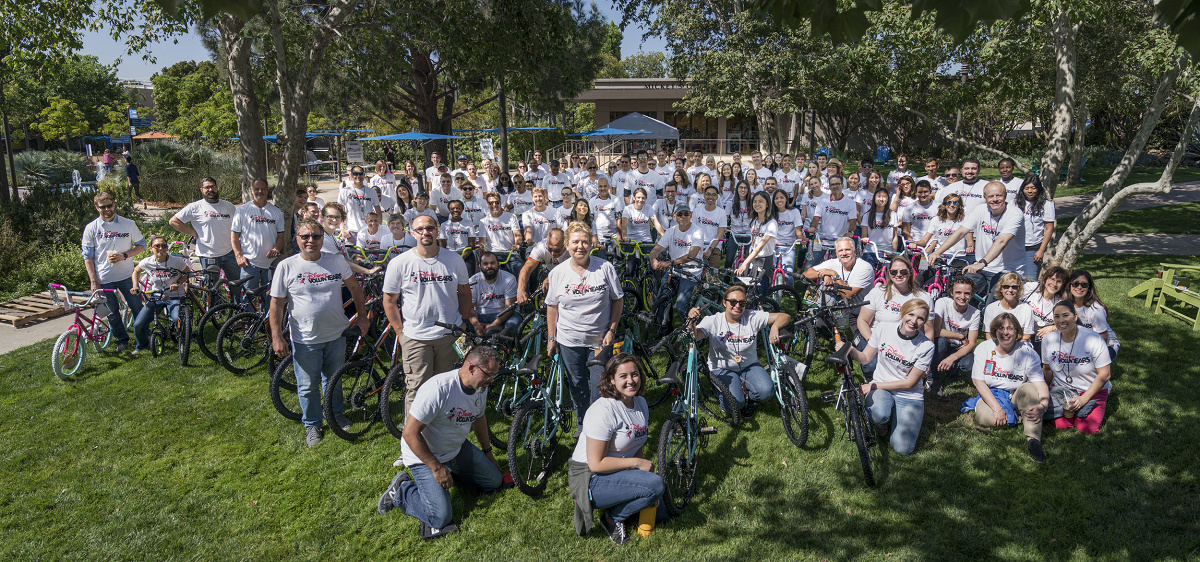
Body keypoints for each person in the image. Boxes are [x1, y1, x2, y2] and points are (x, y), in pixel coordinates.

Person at [376, 346, 506, 540]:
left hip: (457, 449)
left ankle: (451, 475)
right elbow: (410, 434)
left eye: (494, 375)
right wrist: (436, 468)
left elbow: (479, 417)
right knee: (440, 517)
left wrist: (488, 452)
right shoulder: (438, 389)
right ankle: (402, 491)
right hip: (426, 456)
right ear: (471, 368)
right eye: (489, 374)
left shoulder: (480, 387)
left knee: (494, 481)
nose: (491, 380)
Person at [269, 219, 369, 446]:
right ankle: (312, 424)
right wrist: (277, 336)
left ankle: (335, 414)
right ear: (297, 239)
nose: (311, 240)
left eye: (315, 236)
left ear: (323, 238)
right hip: (305, 339)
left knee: (333, 379)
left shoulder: (335, 261)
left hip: (337, 335)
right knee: (307, 386)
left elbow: (355, 288)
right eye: (305, 236)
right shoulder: (286, 266)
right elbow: (276, 304)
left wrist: (362, 317)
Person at [567, 354, 667, 544]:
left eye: (635, 374)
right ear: (611, 380)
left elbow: (636, 443)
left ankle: (625, 501)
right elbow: (596, 464)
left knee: (661, 513)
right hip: (590, 478)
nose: (631, 381)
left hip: (617, 470)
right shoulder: (603, 410)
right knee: (655, 487)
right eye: (623, 376)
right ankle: (611, 518)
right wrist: (638, 464)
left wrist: (643, 473)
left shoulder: (640, 403)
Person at [383, 214, 476, 415]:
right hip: (416, 337)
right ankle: (412, 439)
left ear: (437, 230)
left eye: (429, 228)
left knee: (446, 386)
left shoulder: (454, 260)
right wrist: (401, 333)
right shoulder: (400, 263)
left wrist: (464, 321)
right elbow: (389, 300)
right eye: (420, 229)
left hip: (449, 335)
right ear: (412, 233)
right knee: (416, 389)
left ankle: (440, 430)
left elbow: (465, 291)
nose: (425, 232)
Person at [545, 221, 624, 429]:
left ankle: (596, 427)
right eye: (575, 242)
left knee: (600, 387)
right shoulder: (558, 273)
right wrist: (551, 338)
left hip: (599, 340)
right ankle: (582, 425)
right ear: (567, 245)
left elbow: (618, 299)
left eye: (584, 242)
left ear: (591, 244)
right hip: (569, 340)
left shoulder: (605, 267)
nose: (580, 246)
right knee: (577, 385)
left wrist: (612, 329)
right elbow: (552, 307)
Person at [839, 299, 935, 455]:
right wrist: (849, 348)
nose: (914, 321)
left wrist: (873, 386)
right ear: (903, 313)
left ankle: (900, 416)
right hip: (882, 384)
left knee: (903, 449)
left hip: (908, 394)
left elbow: (910, 383)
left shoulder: (926, 346)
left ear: (924, 322)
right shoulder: (884, 328)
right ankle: (883, 420)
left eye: (920, 318)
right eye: (911, 314)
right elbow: (865, 358)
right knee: (879, 414)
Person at [688, 285, 790, 417]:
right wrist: (692, 321)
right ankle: (723, 393)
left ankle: (750, 399)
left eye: (742, 303)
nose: (737, 306)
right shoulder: (713, 321)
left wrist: (775, 327)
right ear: (724, 303)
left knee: (767, 391)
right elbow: (695, 335)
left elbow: (785, 316)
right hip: (722, 368)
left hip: (749, 365)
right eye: (733, 302)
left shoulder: (752, 317)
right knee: (735, 404)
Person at [963, 312, 1050, 462]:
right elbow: (978, 382)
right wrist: (997, 408)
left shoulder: (1028, 352)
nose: (1005, 332)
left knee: (1030, 389)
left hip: (1016, 393)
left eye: (1010, 328)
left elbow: (1039, 383)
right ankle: (1017, 417)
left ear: (1017, 332)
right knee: (984, 417)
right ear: (995, 331)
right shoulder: (984, 348)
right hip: (992, 394)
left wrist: (1043, 405)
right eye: (1001, 328)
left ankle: (1033, 440)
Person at [928, 181, 1024, 303]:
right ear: (985, 198)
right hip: (981, 268)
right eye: (991, 196)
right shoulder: (980, 209)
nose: (995, 199)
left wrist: (982, 262)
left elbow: (1002, 241)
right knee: (960, 296)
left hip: (1006, 270)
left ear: (1005, 196)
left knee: (991, 307)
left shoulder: (1015, 214)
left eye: (998, 195)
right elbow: (960, 232)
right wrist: (938, 252)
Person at [83, 191, 146, 351]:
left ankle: (144, 338)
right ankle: (122, 341)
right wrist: (93, 280)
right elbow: (88, 257)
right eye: (102, 207)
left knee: (138, 308)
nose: (107, 209)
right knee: (112, 313)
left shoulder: (128, 224)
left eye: (109, 205)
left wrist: (124, 255)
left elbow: (142, 245)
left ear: (114, 204)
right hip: (104, 278)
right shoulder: (91, 228)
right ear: (97, 207)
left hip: (127, 276)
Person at [1040, 301, 1112, 434]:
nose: (1061, 320)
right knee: (1061, 425)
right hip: (1062, 390)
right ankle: (1074, 412)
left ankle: (1092, 405)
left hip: (1090, 390)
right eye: (1057, 316)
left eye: (1066, 315)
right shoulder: (1048, 340)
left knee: (1087, 429)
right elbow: (1047, 369)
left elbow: (1105, 374)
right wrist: (1043, 394)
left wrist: (1083, 399)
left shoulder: (1093, 339)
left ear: (1075, 316)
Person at [857, 257, 936, 374]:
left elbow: (928, 331)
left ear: (910, 273)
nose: (898, 275)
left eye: (903, 272)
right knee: (872, 365)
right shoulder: (878, 292)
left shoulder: (924, 297)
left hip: (908, 343)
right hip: (877, 339)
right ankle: (870, 384)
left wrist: (926, 358)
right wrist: (873, 342)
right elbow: (862, 320)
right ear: (889, 273)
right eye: (894, 272)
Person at [170, 177, 238, 296]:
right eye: (207, 187)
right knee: (212, 288)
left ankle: (240, 311)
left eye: (213, 186)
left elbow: (237, 227)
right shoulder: (195, 207)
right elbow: (174, 221)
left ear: (217, 188)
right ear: (201, 190)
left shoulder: (229, 206)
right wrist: (192, 233)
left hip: (229, 252)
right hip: (208, 254)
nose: (210, 189)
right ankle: (214, 312)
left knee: (236, 284)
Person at [130, 235, 189, 354]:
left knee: (177, 318)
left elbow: (187, 273)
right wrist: (135, 285)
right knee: (138, 324)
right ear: (151, 248)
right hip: (156, 296)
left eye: (164, 246)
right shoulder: (147, 262)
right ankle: (141, 346)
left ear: (167, 248)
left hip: (175, 296)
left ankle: (185, 338)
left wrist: (178, 283)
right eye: (157, 246)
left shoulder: (176, 261)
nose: (161, 248)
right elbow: (136, 271)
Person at [648, 202, 704, 320]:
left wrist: (670, 262)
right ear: (675, 216)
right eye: (680, 214)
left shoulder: (697, 231)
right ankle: (663, 329)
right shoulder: (671, 231)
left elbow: (692, 255)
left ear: (691, 215)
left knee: (681, 306)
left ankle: (690, 332)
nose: (683, 217)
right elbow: (657, 248)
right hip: (675, 271)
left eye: (686, 214)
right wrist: (653, 258)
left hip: (691, 272)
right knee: (661, 299)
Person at [230, 178, 286, 297]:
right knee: (247, 299)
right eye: (256, 189)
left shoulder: (276, 212)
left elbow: (281, 236)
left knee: (270, 298)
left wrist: (276, 249)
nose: (259, 191)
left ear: (267, 191)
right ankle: (248, 316)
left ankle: (266, 316)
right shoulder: (242, 210)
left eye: (262, 189)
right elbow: (234, 235)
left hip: (270, 264)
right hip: (249, 263)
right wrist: (238, 255)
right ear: (251, 190)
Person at [929, 276, 981, 397]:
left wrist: (953, 357)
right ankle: (933, 378)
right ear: (951, 292)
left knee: (969, 365)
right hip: (943, 342)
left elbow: (972, 343)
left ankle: (951, 371)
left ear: (972, 294)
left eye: (967, 293)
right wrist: (960, 337)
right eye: (958, 292)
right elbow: (936, 330)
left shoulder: (975, 313)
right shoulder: (942, 302)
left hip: (957, 347)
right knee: (940, 342)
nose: (962, 297)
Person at [801, 236, 875, 305]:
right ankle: (810, 310)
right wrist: (826, 275)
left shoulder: (864, 268)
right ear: (836, 253)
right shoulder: (833, 262)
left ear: (854, 251)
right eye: (840, 250)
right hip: (833, 310)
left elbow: (847, 295)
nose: (844, 253)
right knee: (818, 286)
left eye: (847, 249)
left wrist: (833, 274)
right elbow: (805, 274)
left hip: (856, 313)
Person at [1065, 270, 1120, 359]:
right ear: (1070, 285)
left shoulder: (1096, 309)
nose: (1079, 287)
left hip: (1107, 344)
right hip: (1080, 342)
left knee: (1085, 366)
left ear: (1089, 288)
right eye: (1075, 284)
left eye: (1084, 285)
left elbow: (1102, 339)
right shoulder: (1065, 304)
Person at [809, 175, 860, 267]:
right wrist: (813, 227)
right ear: (829, 186)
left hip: (840, 241)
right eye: (832, 184)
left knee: (843, 268)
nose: (835, 186)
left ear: (842, 185)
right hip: (822, 240)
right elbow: (816, 218)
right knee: (810, 267)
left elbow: (853, 221)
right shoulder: (822, 201)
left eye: (837, 184)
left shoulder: (850, 203)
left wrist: (850, 232)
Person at [734, 191, 779, 295]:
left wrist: (744, 263)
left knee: (760, 297)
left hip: (764, 263)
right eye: (755, 201)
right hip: (752, 262)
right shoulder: (754, 221)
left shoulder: (771, 223)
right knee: (748, 294)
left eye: (761, 201)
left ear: (767, 204)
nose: (757, 204)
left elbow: (760, 247)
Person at [470, 252, 520, 335]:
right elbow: (470, 308)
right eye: (485, 264)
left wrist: (493, 325)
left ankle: (505, 344)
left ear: (498, 264)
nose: (489, 266)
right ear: (479, 266)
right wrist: (476, 324)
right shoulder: (473, 281)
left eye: (492, 263)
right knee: (463, 323)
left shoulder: (509, 279)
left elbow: (509, 308)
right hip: (480, 315)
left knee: (512, 325)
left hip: (503, 314)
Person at [1023, 266, 1068, 355]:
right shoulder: (1033, 288)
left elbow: (1069, 323)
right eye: (1052, 279)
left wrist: (1052, 328)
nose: (1054, 284)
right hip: (1022, 331)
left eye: (1059, 281)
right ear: (1045, 279)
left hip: (1041, 337)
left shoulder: (1060, 302)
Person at [1018, 176, 1055, 281]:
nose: (1030, 191)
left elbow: (1049, 229)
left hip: (1033, 247)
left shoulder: (1047, 205)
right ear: (1022, 189)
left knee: (1030, 280)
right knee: (1013, 278)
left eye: (1033, 188)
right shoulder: (1015, 203)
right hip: (1015, 246)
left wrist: (1041, 250)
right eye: (1027, 188)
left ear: (1038, 189)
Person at [517, 228, 567, 304]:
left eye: (557, 250)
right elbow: (527, 268)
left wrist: (552, 277)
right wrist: (521, 290)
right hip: (549, 270)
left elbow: (576, 267)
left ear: (565, 245)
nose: (553, 253)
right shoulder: (541, 246)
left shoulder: (571, 247)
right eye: (550, 249)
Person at [915, 193, 973, 258]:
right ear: (945, 205)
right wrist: (915, 244)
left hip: (958, 256)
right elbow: (924, 241)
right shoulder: (936, 220)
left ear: (959, 205)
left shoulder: (965, 220)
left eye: (955, 203)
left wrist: (970, 247)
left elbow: (970, 242)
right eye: (948, 202)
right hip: (939, 255)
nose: (952, 205)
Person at [982, 272, 1035, 341]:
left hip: (1019, 344)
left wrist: (1009, 344)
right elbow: (989, 335)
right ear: (1000, 289)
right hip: (997, 345)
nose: (1010, 290)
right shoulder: (991, 308)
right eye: (1006, 287)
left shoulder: (1026, 308)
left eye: (1014, 287)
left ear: (1019, 289)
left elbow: (1027, 336)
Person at [338, 165, 383, 240]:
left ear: (364, 175)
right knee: (352, 251)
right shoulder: (345, 191)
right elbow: (339, 212)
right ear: (351, 175)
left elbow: (378, 211)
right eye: (355, 174)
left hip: (369, 230)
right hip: (352, 231)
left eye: (360, 173)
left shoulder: (371, 192)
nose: (358, 176)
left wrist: (379, 228)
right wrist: (342, 229)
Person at [691, 184, 728, 265]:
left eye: (713, 194)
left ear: (717, 197)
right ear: (704, 196)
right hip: (698, 245)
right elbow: (692, 230)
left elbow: (720, 234)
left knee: (713, 275)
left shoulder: (721, 213)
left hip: (714, 247)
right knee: (693, 273)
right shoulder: (697, 211)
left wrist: (710, 249)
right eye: (708, 194)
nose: (710, 197)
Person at [860, 187, 899, 262]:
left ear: (888, 199)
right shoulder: (867, 216)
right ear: (874, 198)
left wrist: (893, 252)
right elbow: (863, 236)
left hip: (887, 252)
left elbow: (895, 237)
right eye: (879, 196)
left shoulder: (893, 215)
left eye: (884, 196)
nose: (881, 199)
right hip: (870, 251)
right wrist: (865, 239)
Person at [770, 189, 803, 272]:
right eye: (776, 198)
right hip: (773, 246)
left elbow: (798, 230)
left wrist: (801, 239)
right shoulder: (771, 213)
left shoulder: (794, 211)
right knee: (769, 270)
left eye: (782, 197)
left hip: (789, 246)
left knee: (788, 272)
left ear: (786, 199)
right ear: (773, 201)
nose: (779, 200)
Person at [900, 180, 938, 249]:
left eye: (925, 192)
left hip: (933, 245)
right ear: (916, 192)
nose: (923, 195)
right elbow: (905, 230)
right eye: (920, 192)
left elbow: (939, 231)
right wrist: (912, 244)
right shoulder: (909, 208)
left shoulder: (938, 207)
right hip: (914, 243)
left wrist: (931, 247)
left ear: (930, 191)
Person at [590, 178, 625, 249]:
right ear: (597, 187)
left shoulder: (615, 199)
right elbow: (591, 221)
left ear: (608, 186)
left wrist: (619, 236)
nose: (603, 188)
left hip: (614, 237)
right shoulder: (592, 201)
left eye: (605, 186)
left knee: (616, 259)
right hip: (599, 238)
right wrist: (594, 238)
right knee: (601, 259)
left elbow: (619, 219)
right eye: (600, 186)